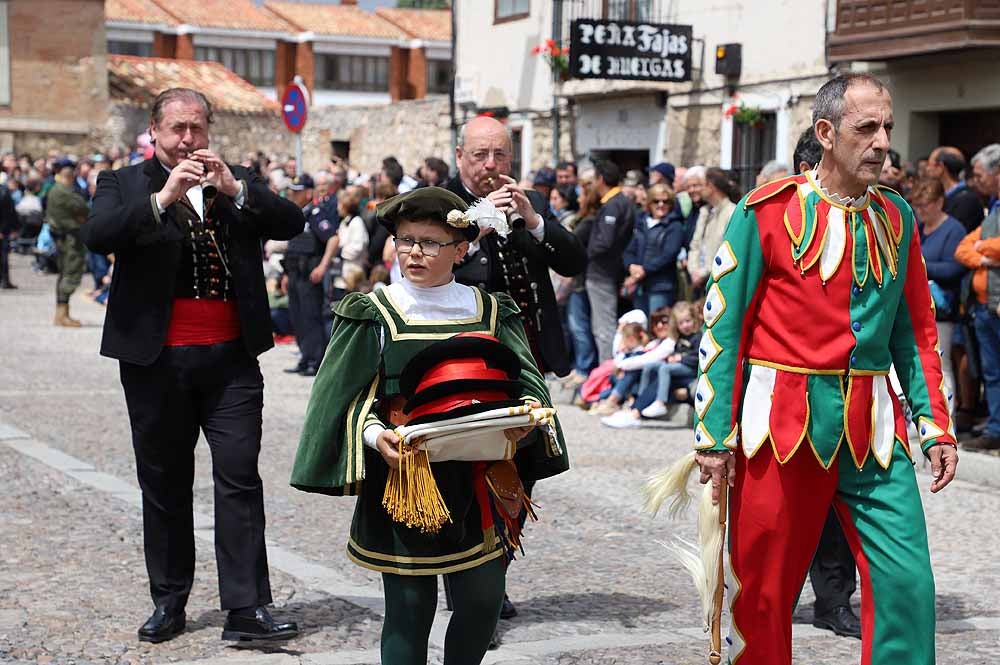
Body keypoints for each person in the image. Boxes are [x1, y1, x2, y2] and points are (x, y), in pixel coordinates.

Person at [692, 73, 957, 665]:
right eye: (867, 128)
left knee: (907, 581)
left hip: (873, 431)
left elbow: (916, 332)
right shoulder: (765, 212)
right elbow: (723, 328)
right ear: (826, 133)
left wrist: (935, 424)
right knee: (763, 592)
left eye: (887, 127)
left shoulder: (899, 216)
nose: (882, 141)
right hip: (780, 428)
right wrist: (713, 436)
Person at [290, 187, 568, 665]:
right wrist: (378, 437)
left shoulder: (491, 308)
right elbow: (344, 400)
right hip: (406, 479)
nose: (415, 252)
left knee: (482, 601)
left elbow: (528, 378)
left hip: (479, 475)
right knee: (409, 609)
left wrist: (526, 418)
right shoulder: (373, 312)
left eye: (431, 243)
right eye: (405, 240)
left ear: (461, 250)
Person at [81, 87, 303, 644]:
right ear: (154, 131)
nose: (188, 140)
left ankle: (247, 608)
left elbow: (291, 223)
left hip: (230, 360)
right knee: (164, 484)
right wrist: (161, 197)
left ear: (209, 131)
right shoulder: (123, 182)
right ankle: (170, 600)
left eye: (197, 129)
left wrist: (237, 189)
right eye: (177, 129)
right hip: (156, 362)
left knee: (238, 478)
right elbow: (99, 234)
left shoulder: (236, 178)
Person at [446, 116, 586, 378]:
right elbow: (429, 271)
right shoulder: (442, 203)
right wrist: (476, 227)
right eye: (480, 155)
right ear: (459, 156)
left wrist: (535, 223)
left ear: (510, 159)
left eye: (499, 155)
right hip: (471, 340)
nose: (491, 164)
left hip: (530, 342)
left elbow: (574, 264)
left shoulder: (532, 200)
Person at [793, 124, 862, 640]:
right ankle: (764, 594)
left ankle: (834, 599)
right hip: (782, 397)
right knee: (783, 509)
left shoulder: (875, 222)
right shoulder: (769, 220)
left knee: (839, 509)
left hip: (850, 394)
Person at [954, 144, 1000, 452]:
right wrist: (985, 251)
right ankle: (996, 428)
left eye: (981, 175)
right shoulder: (993, 208)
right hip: (984, 306)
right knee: (992, 372)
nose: (976, 180)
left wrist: (983, 246)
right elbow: (962, 248)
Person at [911, 177, 967, 407]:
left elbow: (954, 267)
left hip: (943, 310)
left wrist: (919, 264)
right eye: (918, 205)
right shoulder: (920, 228)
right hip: (919, 307)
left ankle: (947, 418)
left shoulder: (953, 229)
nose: (920, 210)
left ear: (940, 202)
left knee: (941, 365)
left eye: (925, 205)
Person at [283, 173, 336, 377]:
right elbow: (292, 246)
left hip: (309, 274)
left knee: (311, 316)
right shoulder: (298, 214)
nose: (292, 195)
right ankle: (305, 357)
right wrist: (286, 275)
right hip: (295, 273)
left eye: (297, 192)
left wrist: (323, 266)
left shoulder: (316, 213)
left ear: (308, 192)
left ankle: (316, 359)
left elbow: (333, 239)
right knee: (297, 316)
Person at [587, 159, 635, 362]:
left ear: (601, 179)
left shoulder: (614, 205)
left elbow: (604, 242)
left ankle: (606, 375)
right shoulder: (622, 202)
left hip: (602, 273)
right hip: (610, 272)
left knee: (603, 327)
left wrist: (585, 252)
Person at [623, 183, 686, 315]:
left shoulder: (675, 226)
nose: (661, 205)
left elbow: (669, 254)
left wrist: (644, 270)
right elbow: (629, 249)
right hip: (640, 285)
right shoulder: (640, 222)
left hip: (661, 286)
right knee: (640, 323)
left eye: (666, 201)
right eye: (656, 201)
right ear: (649, 203)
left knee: (657, 325)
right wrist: (630, 266)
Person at [47, 159, 90, 325]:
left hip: (67, 238)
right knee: (70, 273)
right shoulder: (62, 191)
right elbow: (84, 209)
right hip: (70, 239)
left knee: (65, 273)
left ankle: (62, 313)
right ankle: (61, 315)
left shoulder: (58, 189)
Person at [686, 167, 738, 295]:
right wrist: (694, 270)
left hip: (718, 281)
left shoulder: (731, 212)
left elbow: (727, 249)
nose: (699, 189)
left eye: (701, 185)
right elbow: (695, 244)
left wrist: (704, 272)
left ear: (711, 186)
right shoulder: (704, 212)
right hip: (698, 280)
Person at [927, 146, 984, 231]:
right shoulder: (940, 194)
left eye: (929, 164)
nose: (927, 169)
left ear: (941, 167)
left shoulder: (966, 200)